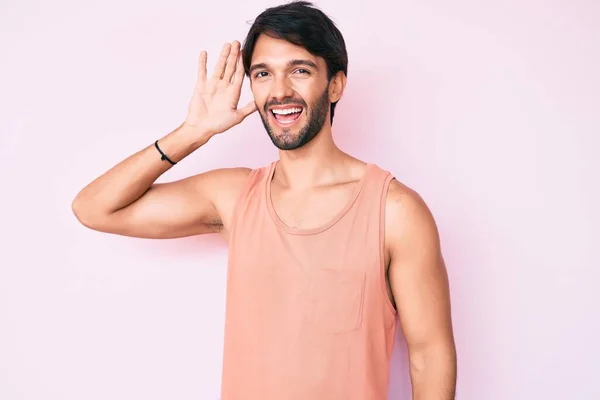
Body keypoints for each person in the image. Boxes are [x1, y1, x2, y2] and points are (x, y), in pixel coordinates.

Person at [72, 1, 457, 399]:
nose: (280, 92)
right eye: (263, 74)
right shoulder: (234, 197)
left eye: (300, 70)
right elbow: (95, 208)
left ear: (336, 84)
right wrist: (192, 132)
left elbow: (429, 355)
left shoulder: (394, 210)